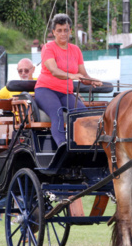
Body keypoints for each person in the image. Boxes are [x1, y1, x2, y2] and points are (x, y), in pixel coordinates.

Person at [0, 58, 36, 243]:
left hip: (35, 133)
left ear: (33, 69)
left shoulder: (38, 84)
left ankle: (25, 232)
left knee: (24, 193)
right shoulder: (12, 86)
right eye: (20, 70)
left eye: (26, 70)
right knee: (7, 190)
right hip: (18, 134)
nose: (23, 73)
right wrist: (6, 104)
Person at [34, 13, 102, 146]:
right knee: (57, 113)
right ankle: (62, 145)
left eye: (66, 30)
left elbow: (83, 76)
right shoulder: (48, 48)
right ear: (53, 32)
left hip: (66, 92)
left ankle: (86, 144)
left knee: (83, 113)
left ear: (71, 31)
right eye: (59, 30)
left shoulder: (75, 50)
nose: (63, 33)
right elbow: (54, 71)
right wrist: (71, 76)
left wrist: (92, 80)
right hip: (46, 90)